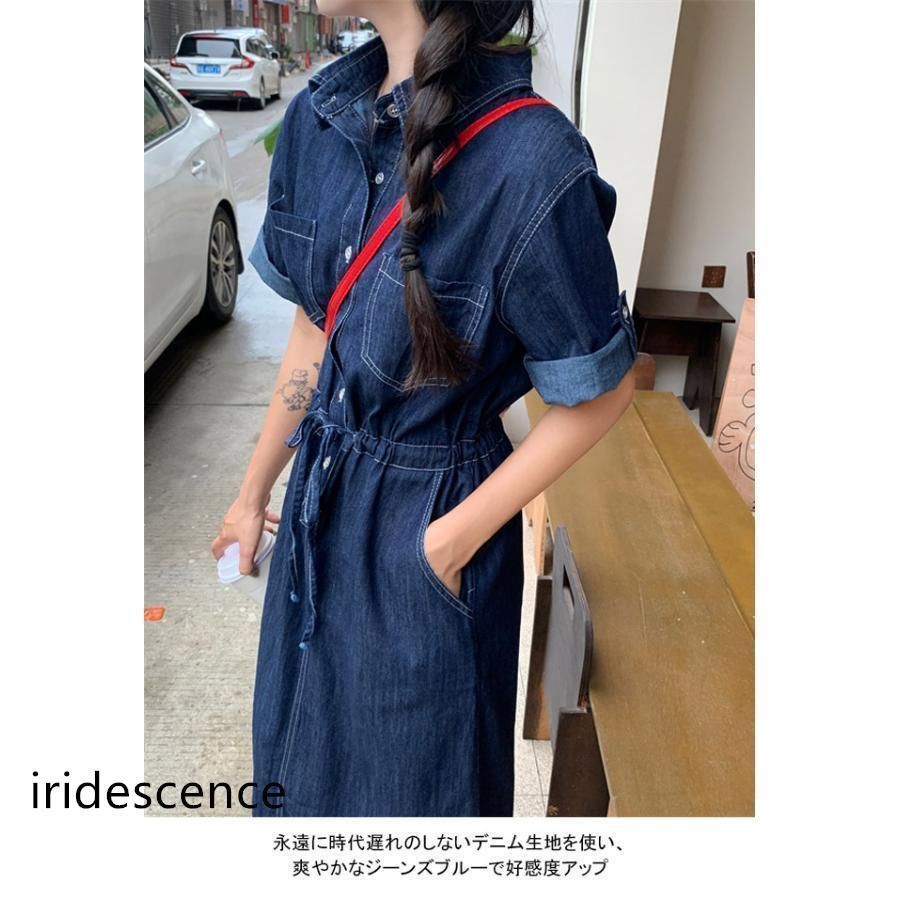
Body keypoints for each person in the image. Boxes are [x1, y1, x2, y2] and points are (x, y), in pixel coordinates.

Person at [211, 0, 638, 817]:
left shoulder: (531, 160)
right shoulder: (318, 120)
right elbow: (315, 329)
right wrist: (254, 489)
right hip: (317, 512)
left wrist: (449, 543)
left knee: (415, 801)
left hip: (430, 525)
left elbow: (602, 387)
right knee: (298, 775)